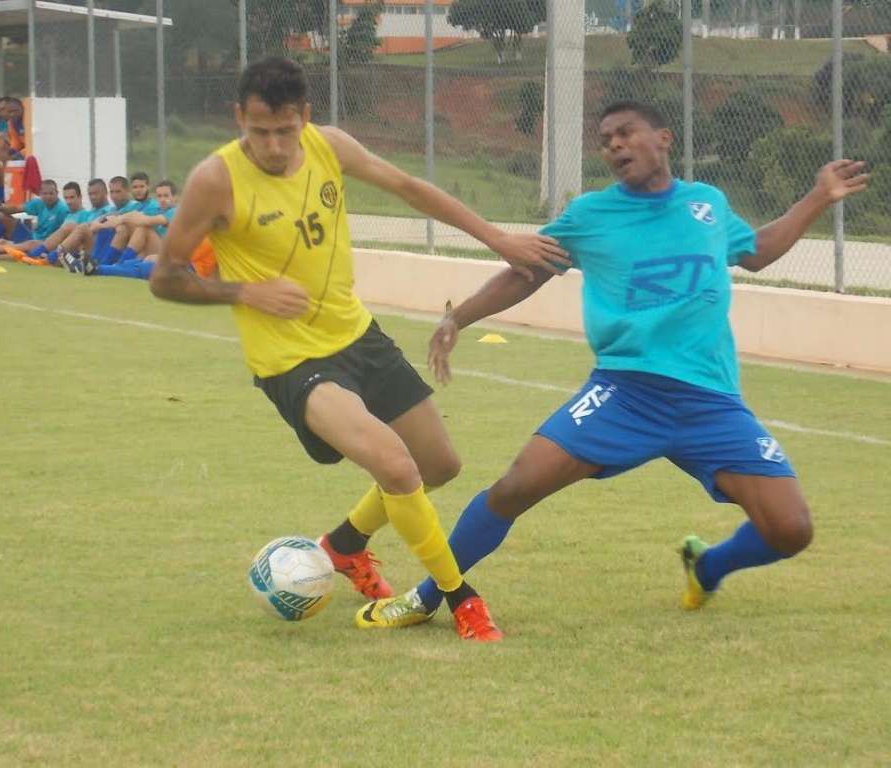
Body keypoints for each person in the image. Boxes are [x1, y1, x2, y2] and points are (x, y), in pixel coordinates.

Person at [359, 100, 871, 636]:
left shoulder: (708, 205)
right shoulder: (591, 215)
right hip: (625, 393)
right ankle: (425, 596)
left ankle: (708, 567)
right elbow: (527, 272)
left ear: (664, 138)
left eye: (627, 134)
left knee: (791, 530)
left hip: (711, 402)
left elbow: (759, 250)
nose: (615, 146)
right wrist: (458, 317)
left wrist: (819, 196)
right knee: (515, 486)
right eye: (606, 140)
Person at [149, 57, 568, 642]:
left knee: (437, 466)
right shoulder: (214, 181)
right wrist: (246, 291)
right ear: (239, 117)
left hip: (356, 335)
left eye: (285, 130)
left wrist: (500, 239)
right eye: (259, 131)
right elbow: (165, 277)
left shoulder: (330, 146)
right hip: (291, 362)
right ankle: (460, 598)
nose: (273, 146)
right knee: (396, 466)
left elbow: (410, 187)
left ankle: (344, 546)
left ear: (306, 118)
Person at [84, 179, 181, 279]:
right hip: (155, 250)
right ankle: (98, 265)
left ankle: (109, 265)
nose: (162, 199)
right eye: (159, 196)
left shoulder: (175, 211)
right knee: (123, 228)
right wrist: (106, 223)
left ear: (174, 197)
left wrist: (119, 220)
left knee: (143, 228)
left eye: (166, 196)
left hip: (169, 255)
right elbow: (133, 215)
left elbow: (148, 221)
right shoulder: (156, 209)